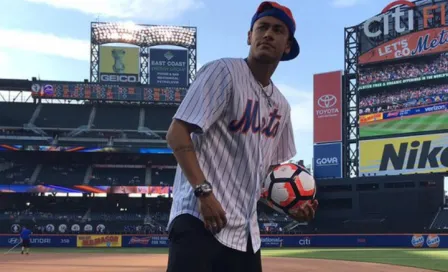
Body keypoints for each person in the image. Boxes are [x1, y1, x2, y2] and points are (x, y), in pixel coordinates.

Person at [165, 2, 318, 272]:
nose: (268, 34)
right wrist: (204, 193)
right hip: (198, 219)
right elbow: (177, 134)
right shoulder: (223, 72)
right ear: (249, 36)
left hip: (246, 234)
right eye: (262, 27)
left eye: (277, 30)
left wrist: (289, 208)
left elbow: (266, 176)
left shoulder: (282, 106)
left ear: (287, 46)